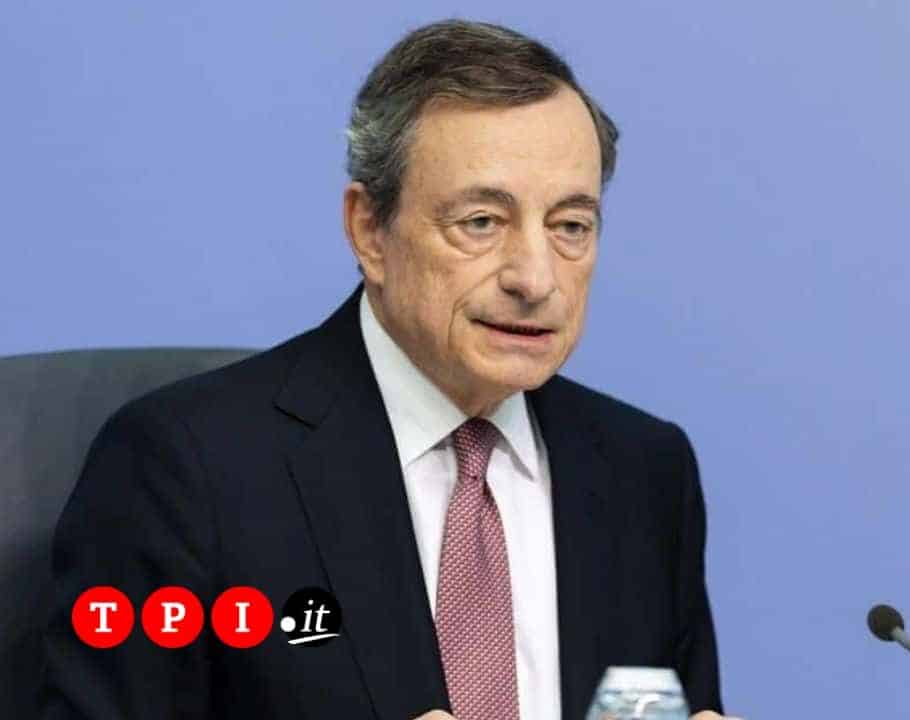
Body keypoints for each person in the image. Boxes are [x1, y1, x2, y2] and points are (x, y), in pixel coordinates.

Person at [40, 19, 724, 720]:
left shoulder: (646, 473)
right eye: (482, 222)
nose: (536, 277)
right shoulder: (188, 468)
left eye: (570, 226)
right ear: (369, 230)